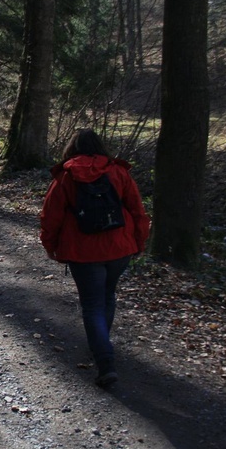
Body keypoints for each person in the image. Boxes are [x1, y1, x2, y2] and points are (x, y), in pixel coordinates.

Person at [40, 128, 150, 387]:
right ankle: (101, 346)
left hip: (83, 251)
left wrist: (50, 245)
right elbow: (137, 210)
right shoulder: (119, 172)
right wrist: (139, 242)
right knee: (107, 296)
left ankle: (104, 361)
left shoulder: (66, 176)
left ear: (71, 148)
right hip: (119, 248)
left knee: (91, 304)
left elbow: (50, 215)